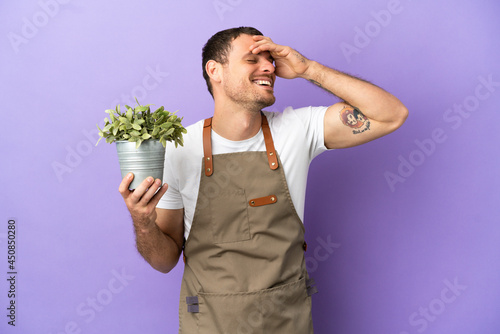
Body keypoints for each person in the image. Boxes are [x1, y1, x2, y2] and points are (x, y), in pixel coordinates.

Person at [118, 27, 408, 333]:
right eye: (252, 59)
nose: (269, 67)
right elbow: (164, 262)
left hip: (287, 321)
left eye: (270, 59)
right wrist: (143, 222)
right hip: (212, 324)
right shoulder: (178, 148)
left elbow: (391, 115)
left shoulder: (297, 129)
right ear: (215, 70)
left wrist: (309, 69)